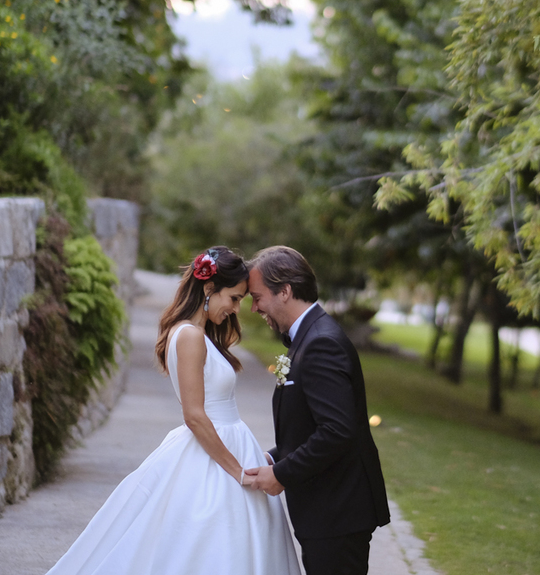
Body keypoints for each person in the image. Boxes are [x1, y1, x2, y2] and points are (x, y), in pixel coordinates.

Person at [45, 246, 299, 575]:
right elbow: (194, 415)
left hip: (228, 445)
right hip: (216, 454)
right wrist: (236, 470)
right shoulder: (190, 336)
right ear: (209, 289)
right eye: (233, 298)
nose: (236, 309)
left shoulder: (199, 334)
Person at [244, 245, 390, 575]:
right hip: (328, 510)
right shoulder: (306, 338)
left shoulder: (321, 342)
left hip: (338, 511)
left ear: (284, 291)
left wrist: (281, 474)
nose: (254, 308)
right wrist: (270, 458)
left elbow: (336, 432)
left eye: (257, 297)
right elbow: (310, 426)